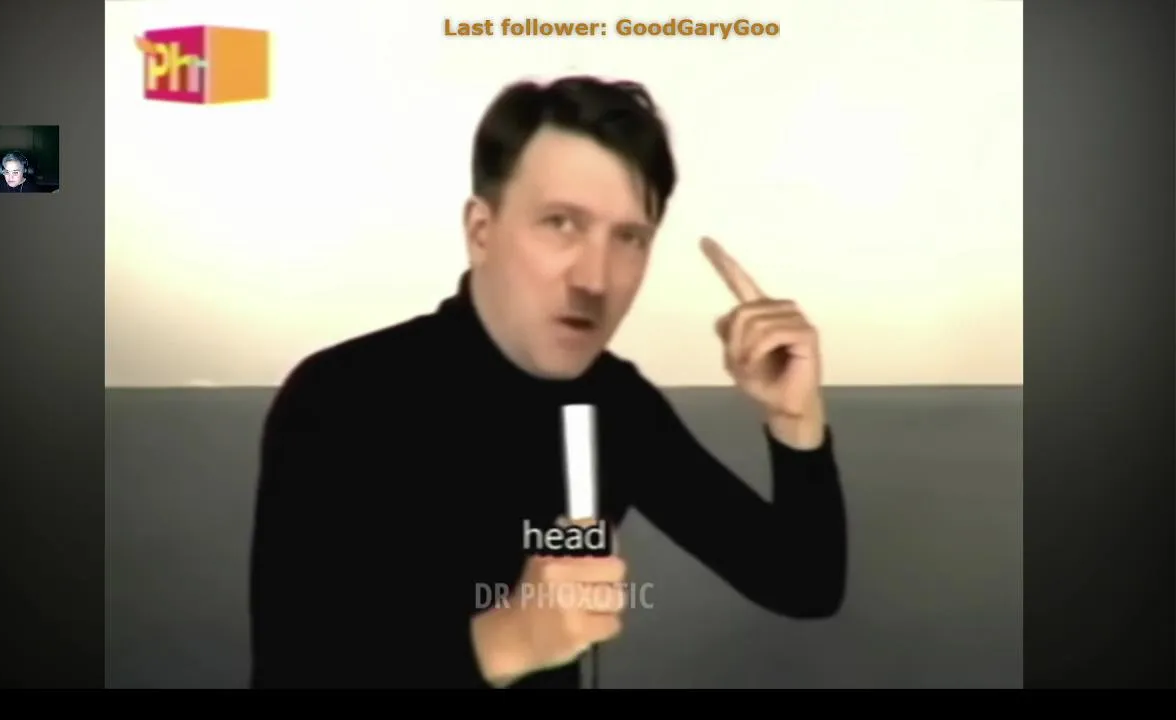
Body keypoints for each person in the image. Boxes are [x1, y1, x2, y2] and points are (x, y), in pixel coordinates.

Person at [248, 76, 848, 689]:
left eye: (629, 238)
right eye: (561, 223)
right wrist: (505, 640)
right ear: (481, 232)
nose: (595, 279)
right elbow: (294, 674)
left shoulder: (615, 402)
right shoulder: (338, 399)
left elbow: (802, 584)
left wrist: (794, 419)